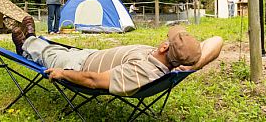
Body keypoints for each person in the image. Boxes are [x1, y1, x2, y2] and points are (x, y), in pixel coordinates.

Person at [12, 16, 223, 96]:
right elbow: (217, 40)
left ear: (163, 48)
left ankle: (27, 43)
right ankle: (32, 41)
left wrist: (63, 73)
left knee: (51, 52)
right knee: (63, 49)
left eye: (168, 40)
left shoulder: (141, 73)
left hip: (79, 66)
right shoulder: (175, 62)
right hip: (92, 55)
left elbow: (93, 81)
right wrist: (195, 64)